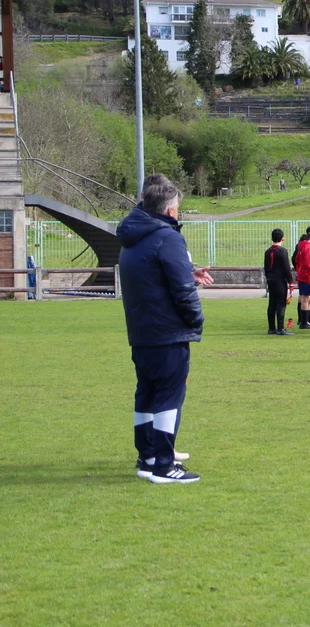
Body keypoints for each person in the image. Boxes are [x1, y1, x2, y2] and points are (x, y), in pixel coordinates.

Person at [117, 180, 202, 484]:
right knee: (169, 395)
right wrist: (195, 319)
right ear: (169, 210)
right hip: (167, 331)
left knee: (147, 393)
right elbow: (182, 288)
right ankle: (164, 466)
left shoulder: (132, 237)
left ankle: (148, 457)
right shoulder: (167, 237)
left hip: (142, 331)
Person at [264, 228, 295, 336]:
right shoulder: (282, 251)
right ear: (283, 238)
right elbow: (286, 268)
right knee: (281, 303)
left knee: (272, 303)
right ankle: (280, 328)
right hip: (280, 280)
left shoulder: (268, 251)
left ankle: (271, 328)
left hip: (270, 280)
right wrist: (290, 281)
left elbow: (266, 267)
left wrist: (268, 277)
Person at [293, 225, 310, 329]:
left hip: (304, 275)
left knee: (307, 298)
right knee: (306, 298)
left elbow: (296, 258)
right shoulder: (308, 247)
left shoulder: (304, 246)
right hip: (307, 276)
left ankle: (305, 320)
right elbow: (307, 263)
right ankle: (304, 322)